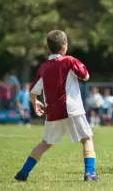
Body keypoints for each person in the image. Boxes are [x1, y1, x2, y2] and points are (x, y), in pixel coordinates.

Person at [14, 30, 99, 182]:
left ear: (49, 47)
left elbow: (33, 91)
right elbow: (85, 76)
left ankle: (23, 173)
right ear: (64, 46)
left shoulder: (44, 67)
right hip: (72, 109)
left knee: (46, 142)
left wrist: (34, 103)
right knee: (87, 139)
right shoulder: (69, 60)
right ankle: (89, 174)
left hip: (53, 112)